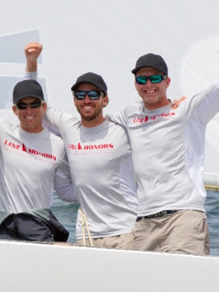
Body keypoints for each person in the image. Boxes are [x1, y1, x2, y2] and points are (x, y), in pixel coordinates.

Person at [107, 27, 219, 255]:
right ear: (135, 84)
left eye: (155, 78)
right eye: (142, 79)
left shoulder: (188, 110)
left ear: (167, 81)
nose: (148, 84)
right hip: (143, 222)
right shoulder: (129, 114)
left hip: (183, 217)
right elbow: (93, 124)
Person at [0, 44, 77, 242]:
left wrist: (100, 188)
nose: (28, 111)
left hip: (37, 222)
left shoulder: (58, 144)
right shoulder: (1, 131)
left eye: (34, 104)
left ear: (44, 107)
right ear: (14, 109)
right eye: (22, 106)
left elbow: (65, 190)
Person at [25, 47, 138, 249]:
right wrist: (32, 63)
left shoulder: (121, 130)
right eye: (80, 94)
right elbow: (34, 100)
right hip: (87, 234)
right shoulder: (69, 127)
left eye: (93, 94)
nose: (87, 99)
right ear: (75, 99)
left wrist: (172, 106)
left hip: (126, 231)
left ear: (105, 99)